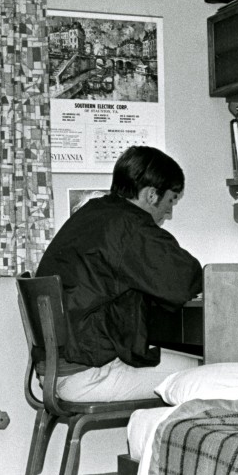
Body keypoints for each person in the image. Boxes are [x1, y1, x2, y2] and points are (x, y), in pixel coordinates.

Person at [35, 145, 203, 402]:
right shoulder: (128, 226)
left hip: (58, 369)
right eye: (170, 201)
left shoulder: (94, 212)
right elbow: (183, 282)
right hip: (88, 375)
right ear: (150, 195)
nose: (169, 213)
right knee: (209, 372)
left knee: (192, 366)